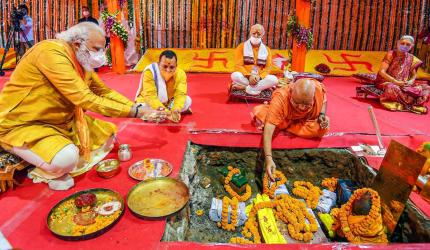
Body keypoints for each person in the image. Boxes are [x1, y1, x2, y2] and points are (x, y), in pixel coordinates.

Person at [0, 22, 165, 190]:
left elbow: (104, 92)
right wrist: (136, 112)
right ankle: (18, 151)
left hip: (62, 121)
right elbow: (85, 98)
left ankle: (43, 152)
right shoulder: (51, 53)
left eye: (103, 49)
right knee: (67, 159)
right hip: (25, 122)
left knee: (107, 138)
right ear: (78, 44)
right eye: (97, 49)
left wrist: (139, 108)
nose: (101, 55)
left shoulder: (81, 59)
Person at [252, 78, 329, 180]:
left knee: (322, 129)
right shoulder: (281, 97)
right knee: (261, 113)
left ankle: (284, 126)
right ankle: (284, 124)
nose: (301, 108)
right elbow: (268, 131)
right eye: (297, 103)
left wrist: (322, 114)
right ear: (291, 92)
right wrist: (269, 158)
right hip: (286, 118)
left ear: (313, 96)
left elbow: (323, 100)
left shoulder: (317, 88)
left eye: (307, 105)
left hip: (303, 121)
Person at [375, 35, 430, 114]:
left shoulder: (412, 58)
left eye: (408, 44)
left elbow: (414, 75)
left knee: (426, 87)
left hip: (404, 84)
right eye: (402, 43)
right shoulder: (391, 54)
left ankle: (407, 101)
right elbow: (382, 72)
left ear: (412, 46)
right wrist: (395, 81)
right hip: (387, 82)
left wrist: (411, 81)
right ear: (398, 43)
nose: (404, 46)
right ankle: (412, 104)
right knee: (392, 87)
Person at [135, 50, 192, 123]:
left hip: (168, 103)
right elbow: (150, 96)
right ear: (159, 64)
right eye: (165, 66)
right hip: (149, 102)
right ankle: (162, 113)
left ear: (176, 66)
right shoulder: (151, 71)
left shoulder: (180, 74)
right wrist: (167, 112)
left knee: (187, 100)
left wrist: (176, 109)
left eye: (172, 67)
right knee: (143, 108)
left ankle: (165, 113)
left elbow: (180, 94)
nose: (168, 70)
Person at [231, 24, 278, 95]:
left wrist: (260, 77)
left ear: (262, 35)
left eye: (258, 34)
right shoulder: (241, 47)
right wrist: (249, 76)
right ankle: (260, 88)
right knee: (235, 75)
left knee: (274, 79)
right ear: (250, 33)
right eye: (254, 33)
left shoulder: (267, 49)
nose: (256, 36)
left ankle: (245, 88)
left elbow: (268, 67)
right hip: (246, 76)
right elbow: (238, 65)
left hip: (259, 78)